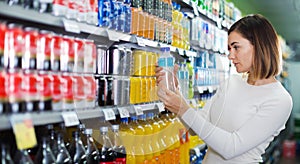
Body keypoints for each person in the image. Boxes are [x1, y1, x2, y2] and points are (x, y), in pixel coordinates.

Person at [155, 14, 293, 163]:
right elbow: (195, 127)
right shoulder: (231, 82)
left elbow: (231, 148)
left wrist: (182, 107)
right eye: (229, 48)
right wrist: (176, 93)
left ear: (259, 45)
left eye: (236, 47)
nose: (230, 55)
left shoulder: (280, 99)